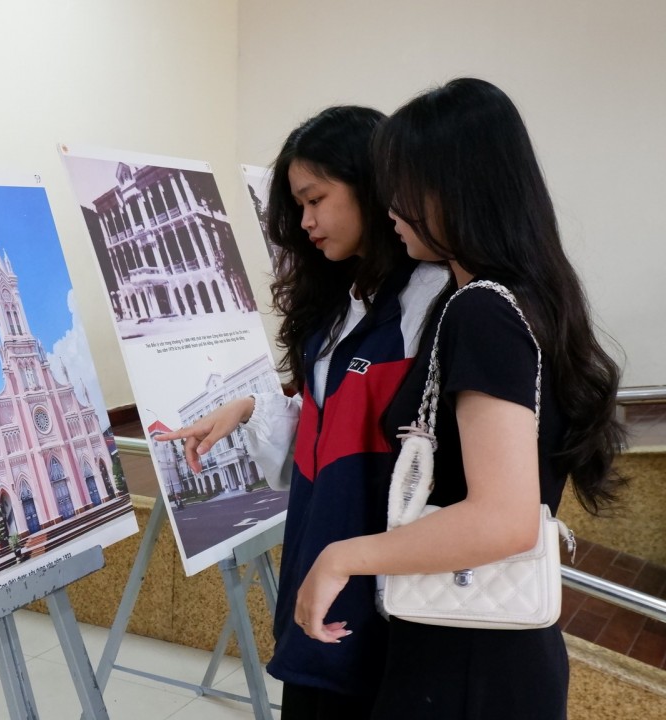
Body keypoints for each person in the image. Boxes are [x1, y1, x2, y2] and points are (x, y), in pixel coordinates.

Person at [295, 78, 626, 719]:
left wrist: (344, 555)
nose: (391, 204)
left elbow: (502, 517)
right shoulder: (532, 299)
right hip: (485, 643)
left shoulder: (480, 311)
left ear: (456, 188)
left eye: (404, 183)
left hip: (467, 659)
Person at [157, 106, 449, 717]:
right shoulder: (339, 304)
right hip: (321, 560)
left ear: (370, 184)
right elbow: (335, 421)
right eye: (297, 208)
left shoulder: (433, 303)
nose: (307, 223)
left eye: (316, 200)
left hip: (388, 587)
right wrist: (246, 407)